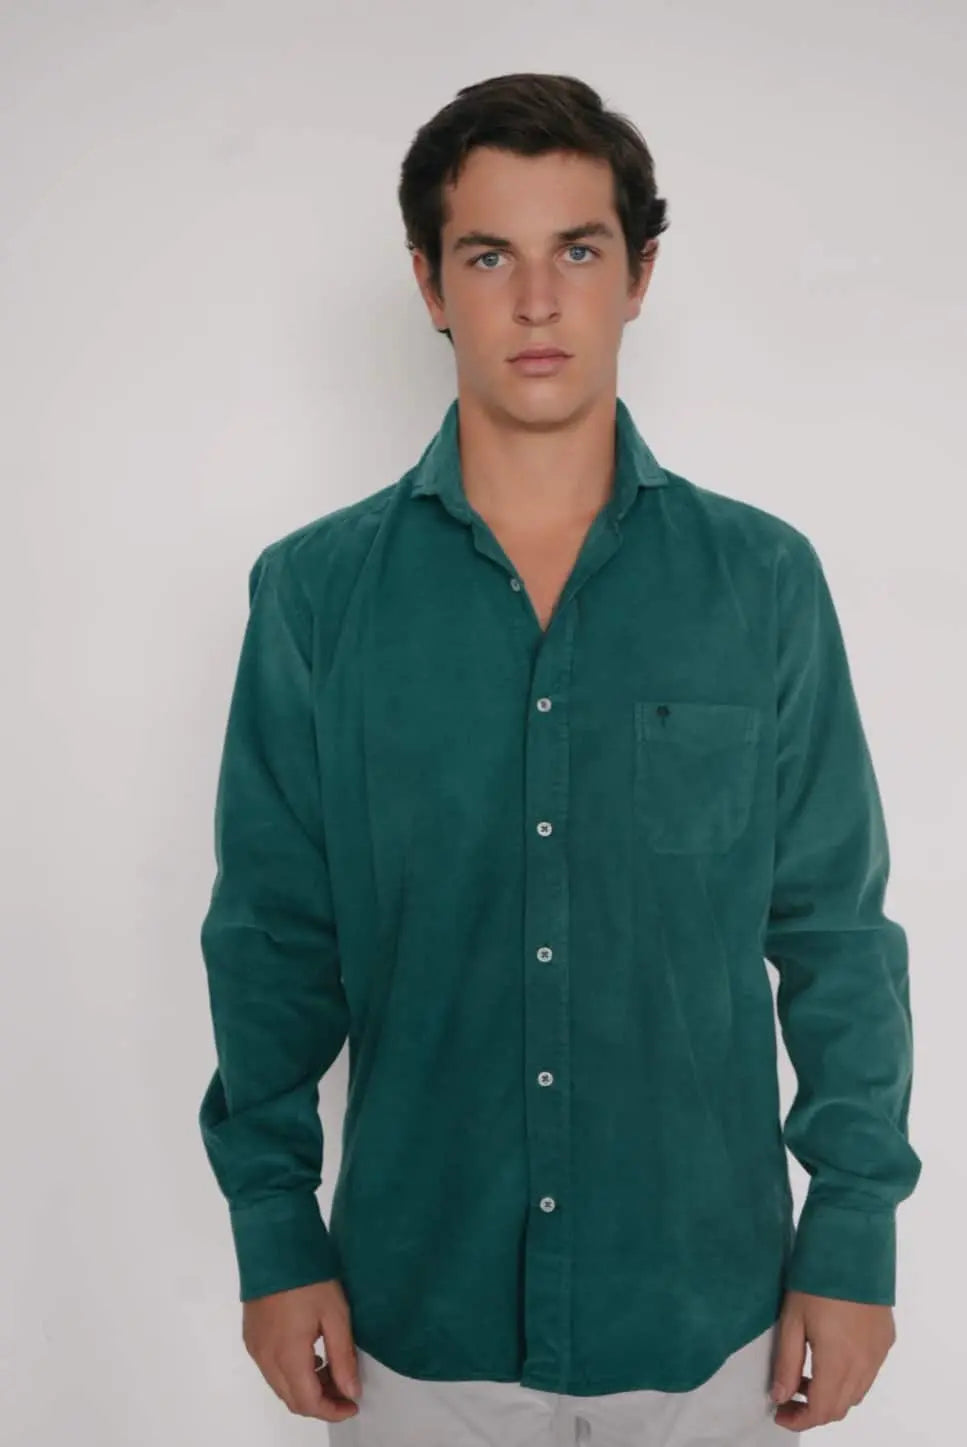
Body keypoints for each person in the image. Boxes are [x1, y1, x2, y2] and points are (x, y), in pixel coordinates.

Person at [196, 72, 921, 1445]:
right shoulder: (315, 596)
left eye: (578, 252)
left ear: (639, 276)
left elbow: (835, 933)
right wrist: (274, 1230)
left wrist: (854, 1232)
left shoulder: (761, 582)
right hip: (417, 1327)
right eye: (490, 257)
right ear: (430, 284)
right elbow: (272, 940)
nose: (537, 301)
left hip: (709, 1324)